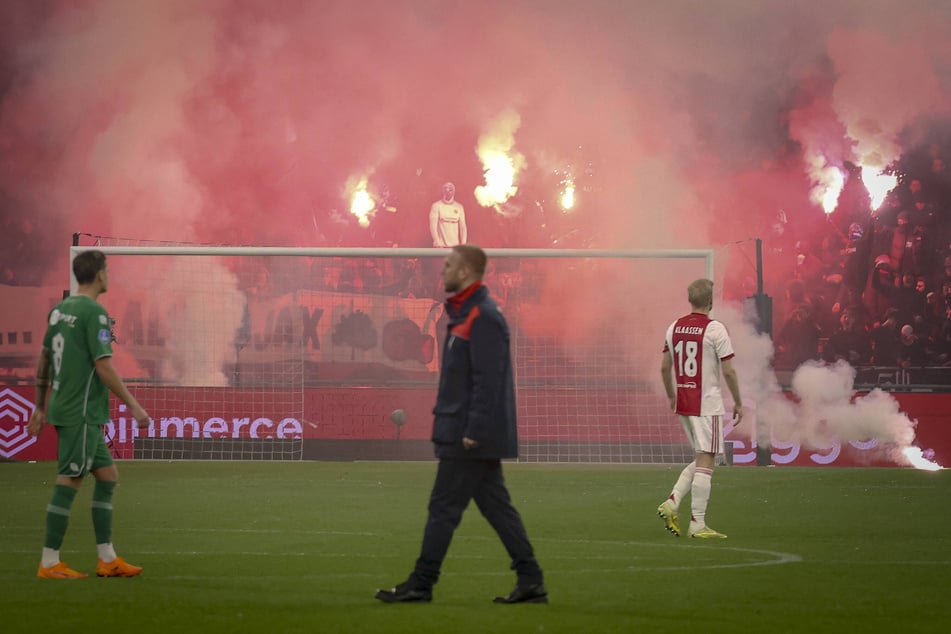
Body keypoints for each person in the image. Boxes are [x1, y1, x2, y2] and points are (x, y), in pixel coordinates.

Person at [375, 245, 546, 604]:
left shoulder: (482, 316)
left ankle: (422, 583)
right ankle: (530, 579)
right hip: (464, 426)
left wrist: (475, 429)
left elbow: (489, 379)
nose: (443, 272)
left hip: (467, 433)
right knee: (496, 507)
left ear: (466, 271)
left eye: (449, 265)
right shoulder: (467, 313)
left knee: (443, 507)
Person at [27, 249, 150, 579]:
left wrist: (40, 405)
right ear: (99, 274)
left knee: (108, 476)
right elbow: (104, 366)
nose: (108, 275)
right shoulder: (94, 313)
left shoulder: (59, 311)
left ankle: (107, 558)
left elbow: (42, 361)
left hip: (76, 410)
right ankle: (49, 562)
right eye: (107, 270)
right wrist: (133, 405)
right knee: (70, 479)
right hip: (80, 412)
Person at [657, 278, 743, 539]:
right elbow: (728, 371)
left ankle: (672, 501)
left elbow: (664, 367)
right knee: (708, 461)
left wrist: (672, 395)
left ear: (689, 300)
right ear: (710, 301)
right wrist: (738, 401)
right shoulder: (716, 329)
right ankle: (698, 524)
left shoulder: (674, 327)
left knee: (701, 457)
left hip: (684, 401)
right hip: (707, 403)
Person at [429, 182, 467, 248]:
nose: (448, 190)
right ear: (442, 190)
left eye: (450, 188)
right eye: (445, 188)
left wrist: (463, 243)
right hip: (441, 246)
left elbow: (463, 227)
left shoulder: (459, 207)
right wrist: (437, 242)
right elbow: (433, 226)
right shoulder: (436, 206)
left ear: (454, 191)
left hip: (455, 246)